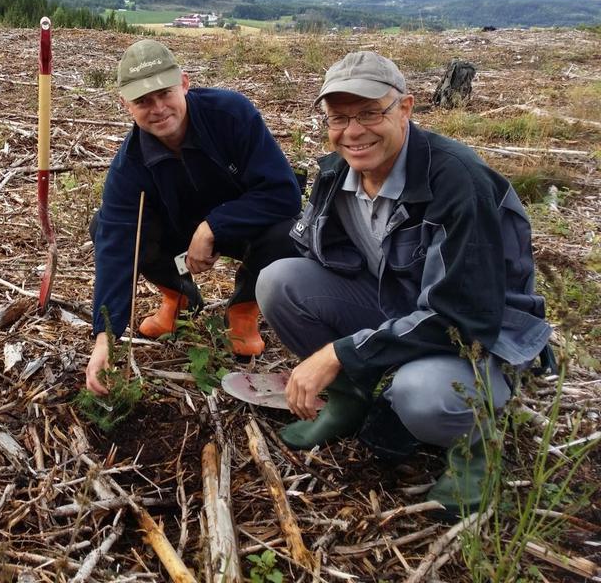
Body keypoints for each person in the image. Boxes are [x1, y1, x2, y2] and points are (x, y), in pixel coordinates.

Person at [255, 50, 552, 518]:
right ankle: (350, 400)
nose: (353, 131)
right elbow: (325, 257)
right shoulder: (336, 172)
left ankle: (475, 446)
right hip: (400, 308)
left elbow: (463, 316)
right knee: (279, 281)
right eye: (339, 117)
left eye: (371, 113)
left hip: (477, 335)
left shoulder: (458, 182)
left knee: (421, 394)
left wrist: (338, 352)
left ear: (406, 109)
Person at [86, 39, 302, 394]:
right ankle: (178, 298)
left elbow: (283, 193)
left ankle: (244, 310)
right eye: (142, 101)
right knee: (105, 226)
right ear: (126, 106)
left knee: (292, 229)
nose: (157, 108)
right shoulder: (130, 165)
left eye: (165, 93)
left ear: (184, 83)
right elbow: (115, 245)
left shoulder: (231, 115)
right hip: (179, 234)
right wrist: (104, 338)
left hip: (245, 226)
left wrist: (214, 226)